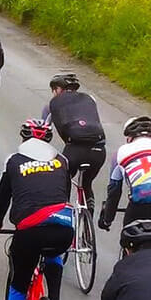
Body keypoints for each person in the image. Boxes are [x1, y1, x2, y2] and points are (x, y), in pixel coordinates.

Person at [0, 119, 74, 300]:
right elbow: (62, 194)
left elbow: (2, 198)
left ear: (24, 139)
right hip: (62, 225)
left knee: (18, 287)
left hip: (29, 232)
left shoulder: (14, 160)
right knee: (54, 253)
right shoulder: (62, 161)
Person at [99, 116, 151, 242]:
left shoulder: (120, 152)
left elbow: (114, 191)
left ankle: (130, 258)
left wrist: (107, 219)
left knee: (128, 237)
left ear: (129, 137)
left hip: (144, 200)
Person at [39, 72, 107, 217]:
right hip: (99, 150)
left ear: (58, 89)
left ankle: (65, 212)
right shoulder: (90, 99)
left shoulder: (51, 105)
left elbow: (42, 132)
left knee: (63, 179)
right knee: (87, 183)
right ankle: (88, 216)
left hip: (75, 149)